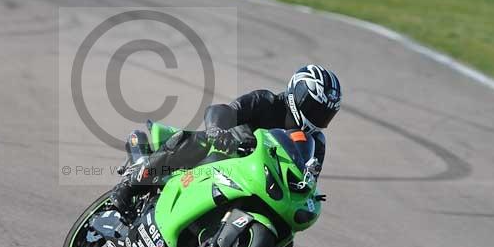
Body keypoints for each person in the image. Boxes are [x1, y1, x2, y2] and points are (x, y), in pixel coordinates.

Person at [109, 65, 342, 216]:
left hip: (259, 181)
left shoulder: (316, 143)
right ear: (297, 95)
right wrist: (216, 131)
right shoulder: (267, 101)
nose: (318, 118)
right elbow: (225, 110)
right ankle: (131, 184)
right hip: (225, 154)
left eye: (325, 114)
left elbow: (308, 176)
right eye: (314, 108)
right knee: (194, 140)